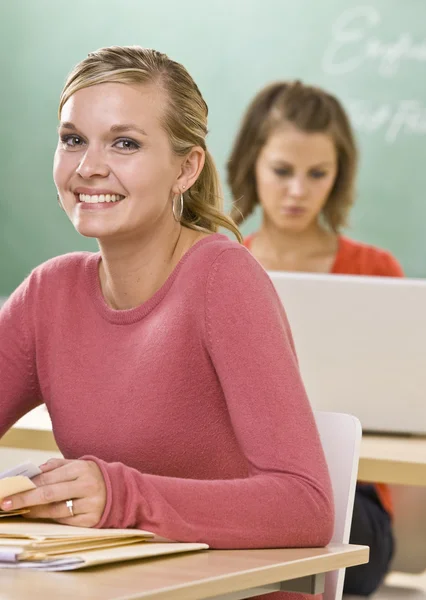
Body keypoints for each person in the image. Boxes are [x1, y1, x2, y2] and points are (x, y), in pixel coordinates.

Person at [0, 47, 333, 600]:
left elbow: (306, 504)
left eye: (124, 142)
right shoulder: (48, 293)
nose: (88, 167)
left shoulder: (222, 278)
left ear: (187, 167)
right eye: (73, 139)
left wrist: (119, 497)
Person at [227, 80, 401, 596]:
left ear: (338, 176)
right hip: (235, 491)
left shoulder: (374, 273)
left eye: (317, 174)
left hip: (351, 506)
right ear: (253, 165)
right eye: (282, 171)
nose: (298, 191)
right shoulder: (215, 268)